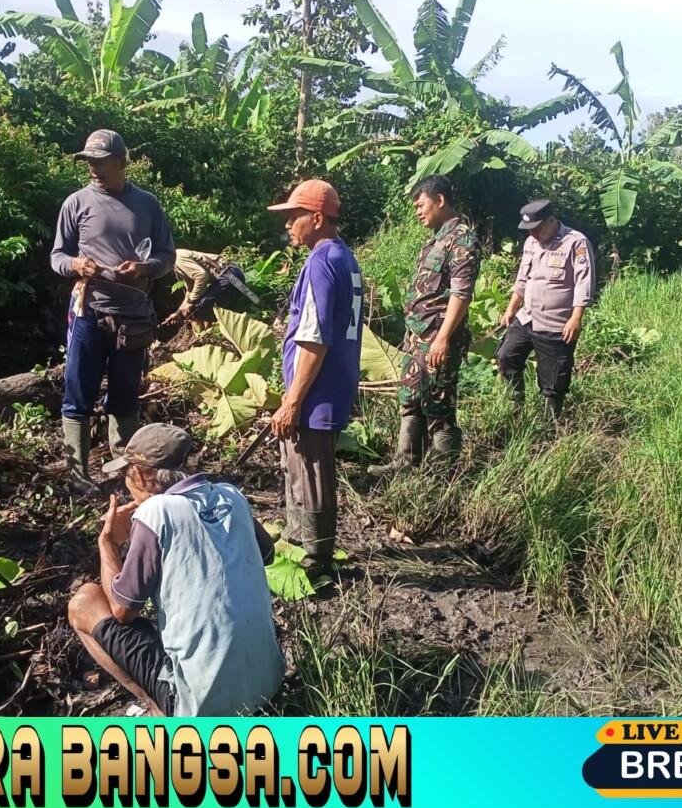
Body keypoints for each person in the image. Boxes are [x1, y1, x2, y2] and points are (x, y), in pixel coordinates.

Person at [66, 424, 284, 716]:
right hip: (267, 686)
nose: (125, 483)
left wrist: (108, 543)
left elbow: (122, 610)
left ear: (142, 474)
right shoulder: (231, 496)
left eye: (125, 473)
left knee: (84, 601)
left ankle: (159, 708)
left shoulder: (156, 513)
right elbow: (266, 554)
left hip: (200, 706)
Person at [51, 129, 176, 489]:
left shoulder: (148, 204)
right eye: (89, 162)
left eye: (101, 161)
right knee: (78, 392)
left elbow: (168, 256)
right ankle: (78, 474)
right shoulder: (76, 203)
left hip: (133, 316)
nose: (94, 168)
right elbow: (57, 257)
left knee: (125, 394)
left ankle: (125, 469)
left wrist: (145, 268)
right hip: (89, 310)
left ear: (121, 161)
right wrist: (77, 265)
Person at [267, 180, 364, 579]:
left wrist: (292, 400)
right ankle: (297, 539)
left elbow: (314, 337)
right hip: (330, 383)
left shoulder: (321, 262)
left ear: (318, 218)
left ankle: (317, 561)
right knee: (303, 465)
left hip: (316, 389)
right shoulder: (344, 257)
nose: (289, 225)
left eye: (295, 216)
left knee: (311, 470)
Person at [369, 175, 478, 475]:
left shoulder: (461, 238)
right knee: (411, 400)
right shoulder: (435, 240)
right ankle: (406, 464)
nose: (418, 212)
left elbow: (461, 293)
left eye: (421, 205)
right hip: (417, 339)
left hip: (439, 340)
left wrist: (443, 338)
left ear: (440, 200)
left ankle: (443, 478)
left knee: (439, 408)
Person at [496, 199, 595, 419]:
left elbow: (583, 282)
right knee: (506, 356)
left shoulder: (575, 243)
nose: (534, 234)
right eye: (529, 230)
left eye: (538, 228)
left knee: (553, 380)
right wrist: (511, 308)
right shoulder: (531, 243)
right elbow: (522, 279)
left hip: (556, 323)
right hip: (527, 317)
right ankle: (515, 407)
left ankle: (549, 424)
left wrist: (576, 318)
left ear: (551, 220)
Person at [161, 249, 260, 328]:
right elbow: (190, 291)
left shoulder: (177, 258)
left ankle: (203, 338)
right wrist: (178, 312)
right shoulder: (176, 266)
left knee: (198, 308)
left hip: (229, 274)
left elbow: (202, 276)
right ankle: (205, 335)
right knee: (196, 308)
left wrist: (191, 303)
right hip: (230, 276)